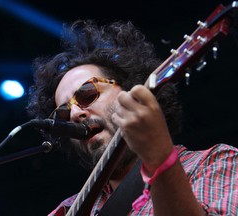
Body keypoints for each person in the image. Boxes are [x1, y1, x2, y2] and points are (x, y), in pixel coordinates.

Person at [27, 20, 238, 215]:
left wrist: (159, 156)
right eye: (63, 114)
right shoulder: (67, 210)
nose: (74, 114)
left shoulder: (214, 163)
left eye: (87, 94)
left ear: (130, 90)